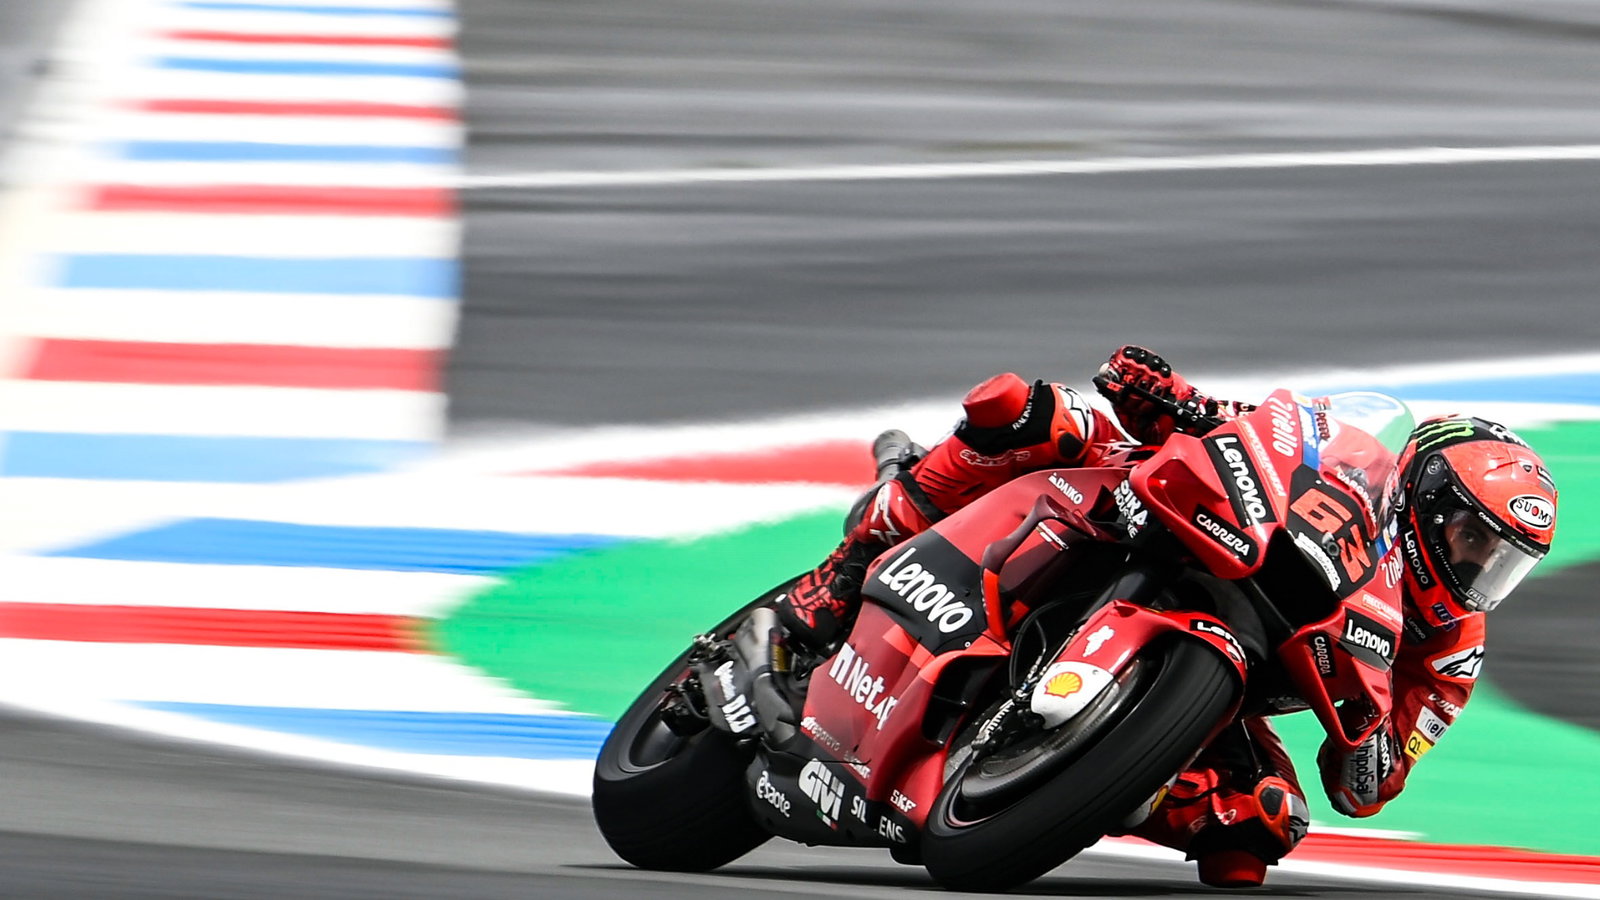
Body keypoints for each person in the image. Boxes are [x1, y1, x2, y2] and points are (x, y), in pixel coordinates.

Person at [774, 346, 1559, 888]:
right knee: (1031, 413)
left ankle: (1109, 782)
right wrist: (1168, 396)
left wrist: (1367, 735)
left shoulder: (1453, 651)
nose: (1479, 572)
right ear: (1423, 497)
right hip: (1154, 525)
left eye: (1504, 563)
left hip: (1235, 683)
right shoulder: (1354, 453)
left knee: (1260, 829)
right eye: (1472, 541)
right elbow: (1245, 426)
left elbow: (1369, 786)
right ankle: (842, 576)